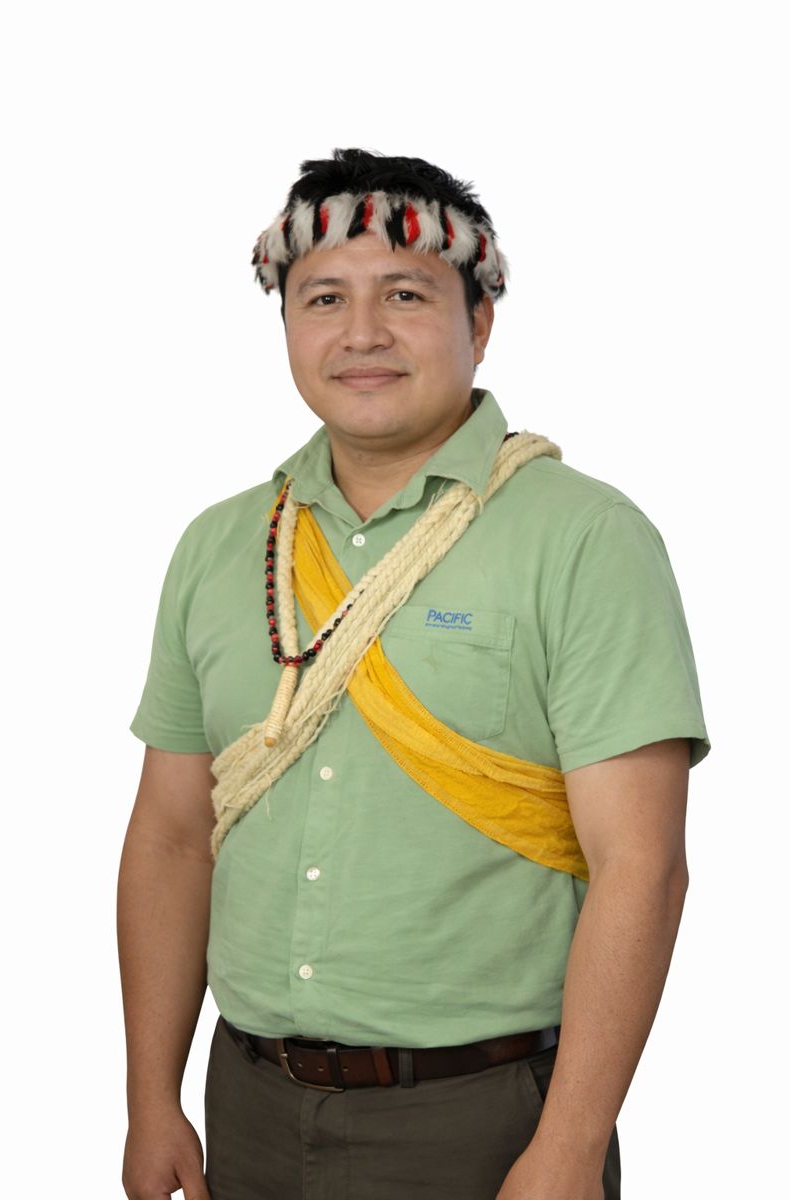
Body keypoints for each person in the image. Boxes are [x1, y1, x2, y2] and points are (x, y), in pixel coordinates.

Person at [118, 148, 711, 1200]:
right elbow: (170, 836)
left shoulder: (584, 540)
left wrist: (571, 1145)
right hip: (246, 1105)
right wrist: (149, 1098)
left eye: (404, 294)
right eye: (323, 299)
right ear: (286, 324)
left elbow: (641, 867)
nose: (361, 334)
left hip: (483, 1119)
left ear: (479, 320)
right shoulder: (220, 545)